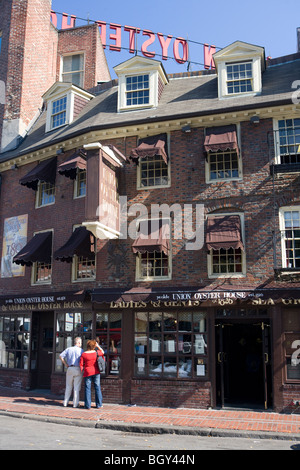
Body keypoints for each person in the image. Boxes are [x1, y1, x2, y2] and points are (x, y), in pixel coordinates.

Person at [80, 339, 104, 410]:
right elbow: (102, 352)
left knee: (87, 388)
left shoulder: (84, 354)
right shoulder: (96, 353)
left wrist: (82, 371)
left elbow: (81, 364)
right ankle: (99, 404)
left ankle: (88, 405)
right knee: (97, 387)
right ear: (94, 346)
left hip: (87, 372)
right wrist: (98, 346)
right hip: (96, 372)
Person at [60, 337, 83, 408]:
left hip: (70, 368)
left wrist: (65, 364)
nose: (81, 344)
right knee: (76, 387)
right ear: (78, 343)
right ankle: (75, 404)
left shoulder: (69, 349)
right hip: (78, 368)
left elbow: (61, 356)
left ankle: (65, 402)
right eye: (81, 343)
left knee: (68, 386)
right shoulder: (81, 350)